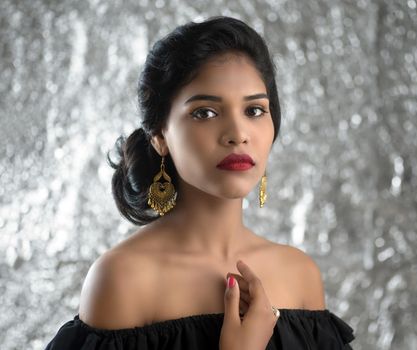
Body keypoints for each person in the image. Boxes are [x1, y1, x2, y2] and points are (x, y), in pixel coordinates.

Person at [44, 15, 354, 349]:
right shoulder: (122, 280)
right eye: (205, 112)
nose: (238, 135)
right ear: (160, 136)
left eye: (254, 111)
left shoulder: (299, 276)